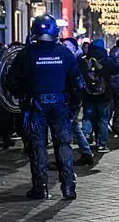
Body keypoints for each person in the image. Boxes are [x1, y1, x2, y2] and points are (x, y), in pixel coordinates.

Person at [7, 14, 85, 199]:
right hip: (60, 104)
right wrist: (73, 105)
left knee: (38, 146)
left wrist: (23, 95)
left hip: (35, 105)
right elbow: (78, 83)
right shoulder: (64, 53)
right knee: (63, 145)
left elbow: (12, 81)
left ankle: (40, 187)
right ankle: (68, 187)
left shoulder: (26, 53)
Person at [79, 39, 119, 153]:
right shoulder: (106, 61)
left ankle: (86, 138)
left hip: (88, 94)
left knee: (87, 117)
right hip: (104, 95)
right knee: (103, 119)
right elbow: (117, 70)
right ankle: (101, 144)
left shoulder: (84, 60)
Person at [62, 38, 94, 166]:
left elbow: (79, 81)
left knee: (69, 125)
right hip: (70, 97)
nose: (64, 47)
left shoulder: (78, 61)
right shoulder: (70, 60)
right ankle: (86, 153)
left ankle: (81, 154)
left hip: (73, 98)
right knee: (73, 125)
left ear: (75, 48)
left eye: (67, 45)